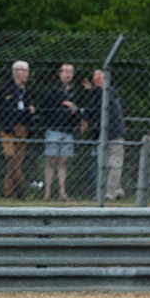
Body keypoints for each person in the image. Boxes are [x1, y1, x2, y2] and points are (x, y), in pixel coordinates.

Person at [0, 60, 37, 198]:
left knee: (17, 160)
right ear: (16, 72)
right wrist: (2, 123)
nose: (27, 74)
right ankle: (22, 185)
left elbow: (29, 107)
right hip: (8, 128)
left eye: (27, 71)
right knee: (10, 157)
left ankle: (8, 192)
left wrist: (31, 110)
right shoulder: (4, 88)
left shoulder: (27, 91)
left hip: (22, 128)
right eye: (24, 71)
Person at [42, 63, 84, 201]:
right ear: (60, 74)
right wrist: (64, 104)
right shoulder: (52, 89)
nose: (68, 74)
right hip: (54, 129)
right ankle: (47, 191)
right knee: (50, 160)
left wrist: (74, 110)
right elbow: (48, 107)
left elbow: (78, 109)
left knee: (63, 161)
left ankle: (62, 191)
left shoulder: (75, 91)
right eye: (65, 72)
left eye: (71, 72)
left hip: (68, 130)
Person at [91, 68, 127, 202]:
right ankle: (114, 189)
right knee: (104, 164)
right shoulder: (98, 94)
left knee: (114, 163)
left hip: (115, 133)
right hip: (103, 133)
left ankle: (111, 192)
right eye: (95, 80)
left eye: (98, 79)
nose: (96, 82)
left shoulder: (109, 93)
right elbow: (93, 111)